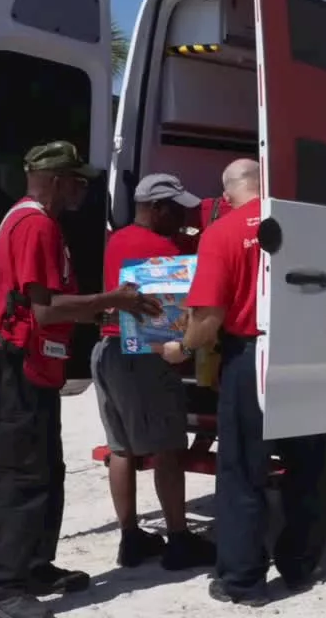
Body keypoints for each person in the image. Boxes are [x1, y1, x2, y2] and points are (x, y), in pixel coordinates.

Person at [0, 141, 163, 618]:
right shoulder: (35, 225)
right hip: (14, 365)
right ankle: (3, 587)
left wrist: (96, 310)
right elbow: (44, 307)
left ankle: (34, 565)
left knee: (46, 471)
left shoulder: (34, 219)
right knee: (22, 477)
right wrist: (111, 299)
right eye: (76, 180)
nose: (82, 188)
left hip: (28, 363)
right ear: (54, 181)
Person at [157, 158, 326, 607]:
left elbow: (209, 317)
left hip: (251, 354)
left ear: (229, 189)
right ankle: (299, 565)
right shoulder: (305, 227)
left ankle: (244, 580)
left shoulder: (223, 232)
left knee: (242, 471)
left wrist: (183, 348)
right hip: (306, 353)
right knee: (307, 465)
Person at [90, 174, 217, 570]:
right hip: (145, 354)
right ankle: (179, 539)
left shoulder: (117, 240)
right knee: (167, 448)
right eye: (176, 210)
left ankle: (131, 538)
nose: (181, 218)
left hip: (107, 351)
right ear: (157, 208)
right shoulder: (165, 247)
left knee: (121, 448)